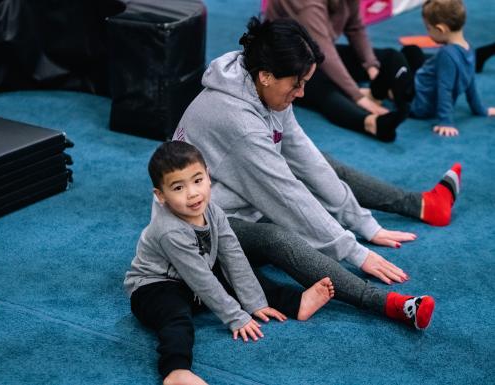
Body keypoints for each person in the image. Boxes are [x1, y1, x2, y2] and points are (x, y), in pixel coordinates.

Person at [173, 16, 437, 341]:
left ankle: (420, 204)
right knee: (280, 237)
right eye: (296, 84)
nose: (301, 93)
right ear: (267, 77)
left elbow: (305, 158)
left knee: (320, 162)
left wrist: (365, 224)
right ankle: (385, 303)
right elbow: (288, 197)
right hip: (201, 225)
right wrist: (354, 251)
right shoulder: (238, 122)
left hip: (237, 192)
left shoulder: (257, 81)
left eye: (305, 83)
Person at [125, 141, 336, 385]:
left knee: (245, 274)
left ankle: (296, 303)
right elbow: (201, 281)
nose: (192, 193)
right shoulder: (169, 230)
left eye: (197, 180)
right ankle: (176, 371)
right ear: (161, 196)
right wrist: (236, 316)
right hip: (153, 287)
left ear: (208, 177)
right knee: (176, 317)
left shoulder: (213, 211)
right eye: (178, 187)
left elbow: (233, 254)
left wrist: (254, 302)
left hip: (193, 279)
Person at [264, 0, 412, 142]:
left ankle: (404, 100)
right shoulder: (307, 4)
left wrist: (372, 69)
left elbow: (355, 28)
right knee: (325, 86)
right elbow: (324, 52)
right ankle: (371, 123)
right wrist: (359, 97)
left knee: (391, 56)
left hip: (317, 52)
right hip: (288, 64)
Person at [404, 0, 495, 136]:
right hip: (425, 93)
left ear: (440, 29)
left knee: (406, 54)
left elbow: (444, 89)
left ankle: (382, 91)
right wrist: (481, 110)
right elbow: (470, 83)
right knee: (414, 53)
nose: (427, 33)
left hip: (417, 104)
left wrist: (445, 121)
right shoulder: (468, 48)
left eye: (428, 28)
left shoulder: (445, 54)